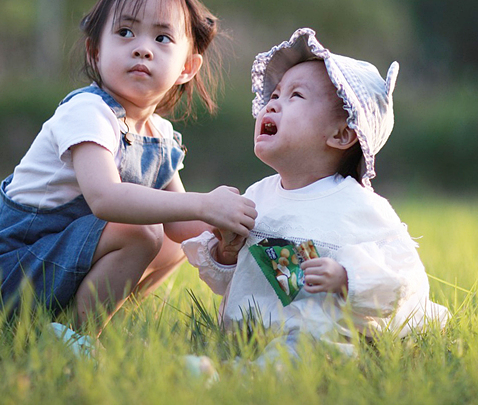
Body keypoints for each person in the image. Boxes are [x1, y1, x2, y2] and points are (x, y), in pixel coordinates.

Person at [0, 0, 256, 332]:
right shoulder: (87, 111)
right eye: (125, 32)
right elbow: (105, 199)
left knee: (173, 244)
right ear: (95, 52)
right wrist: (205, 203)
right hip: (23, 265)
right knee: (141, 231)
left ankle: (98, 320)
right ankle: (75, 337)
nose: (142, 47)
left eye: (162, 38)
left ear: (187, 67)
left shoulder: (159, 133)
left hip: (69, 257)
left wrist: (230, 228)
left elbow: (181, 225)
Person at [182, 28, 449, 361]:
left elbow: (402, 279)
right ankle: (231, 368)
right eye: (275, 95)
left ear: (341, 134)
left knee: (303, 353)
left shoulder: (358, 206)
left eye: (295, 96)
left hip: (323, 335)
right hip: (255, 333)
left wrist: (347, 278)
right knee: (255, 352)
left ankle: (243, 376)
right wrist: (226, 250)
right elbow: (239, 278)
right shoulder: (258, 195)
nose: (273, 105)